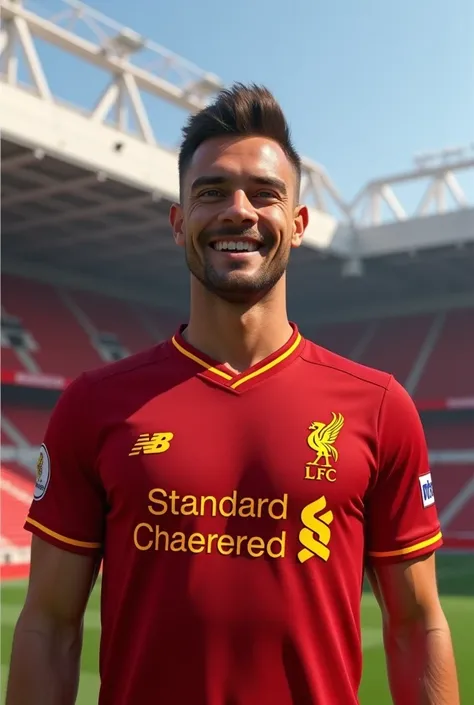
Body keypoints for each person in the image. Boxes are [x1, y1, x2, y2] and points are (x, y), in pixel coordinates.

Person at [6, 83, 459, 705]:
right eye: (211, 192)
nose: (239, 211)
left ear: (297, 225)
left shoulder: (379, 407)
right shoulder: (92, 404)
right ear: (178, 222)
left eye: (265, 194)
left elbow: (415, 625)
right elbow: (49, 626)